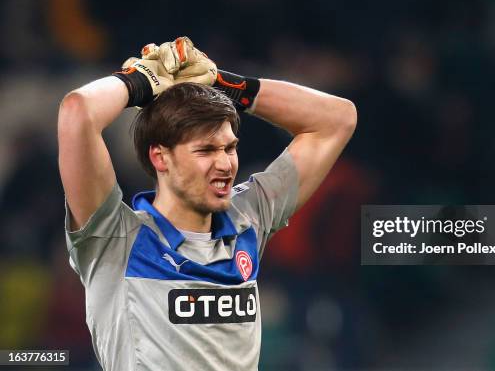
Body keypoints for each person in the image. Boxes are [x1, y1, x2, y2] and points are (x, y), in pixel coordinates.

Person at [57, 37, 357, 370]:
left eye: (229, 148)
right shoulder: (114, 239)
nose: (226, 164)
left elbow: (337, 119)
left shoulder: (248, 219)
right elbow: (78, 111)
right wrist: (139, 82)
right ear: (160, 157)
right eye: (206, 151)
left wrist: (220, 84)